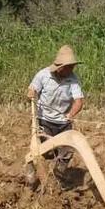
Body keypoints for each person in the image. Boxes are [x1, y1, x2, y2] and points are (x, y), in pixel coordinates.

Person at [27, 45, 85, 178]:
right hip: (45, 120)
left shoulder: (73, 79)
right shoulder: (43, 75)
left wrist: (71, 114)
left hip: (63, 123)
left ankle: (58, 175)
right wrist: (31, 92)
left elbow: (79, 101)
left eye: (72, 66)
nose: (72, 69)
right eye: (69, 67)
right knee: (45, 150)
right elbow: (32, 90)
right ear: (60, 67)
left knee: (68, 150)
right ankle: (34, 169)